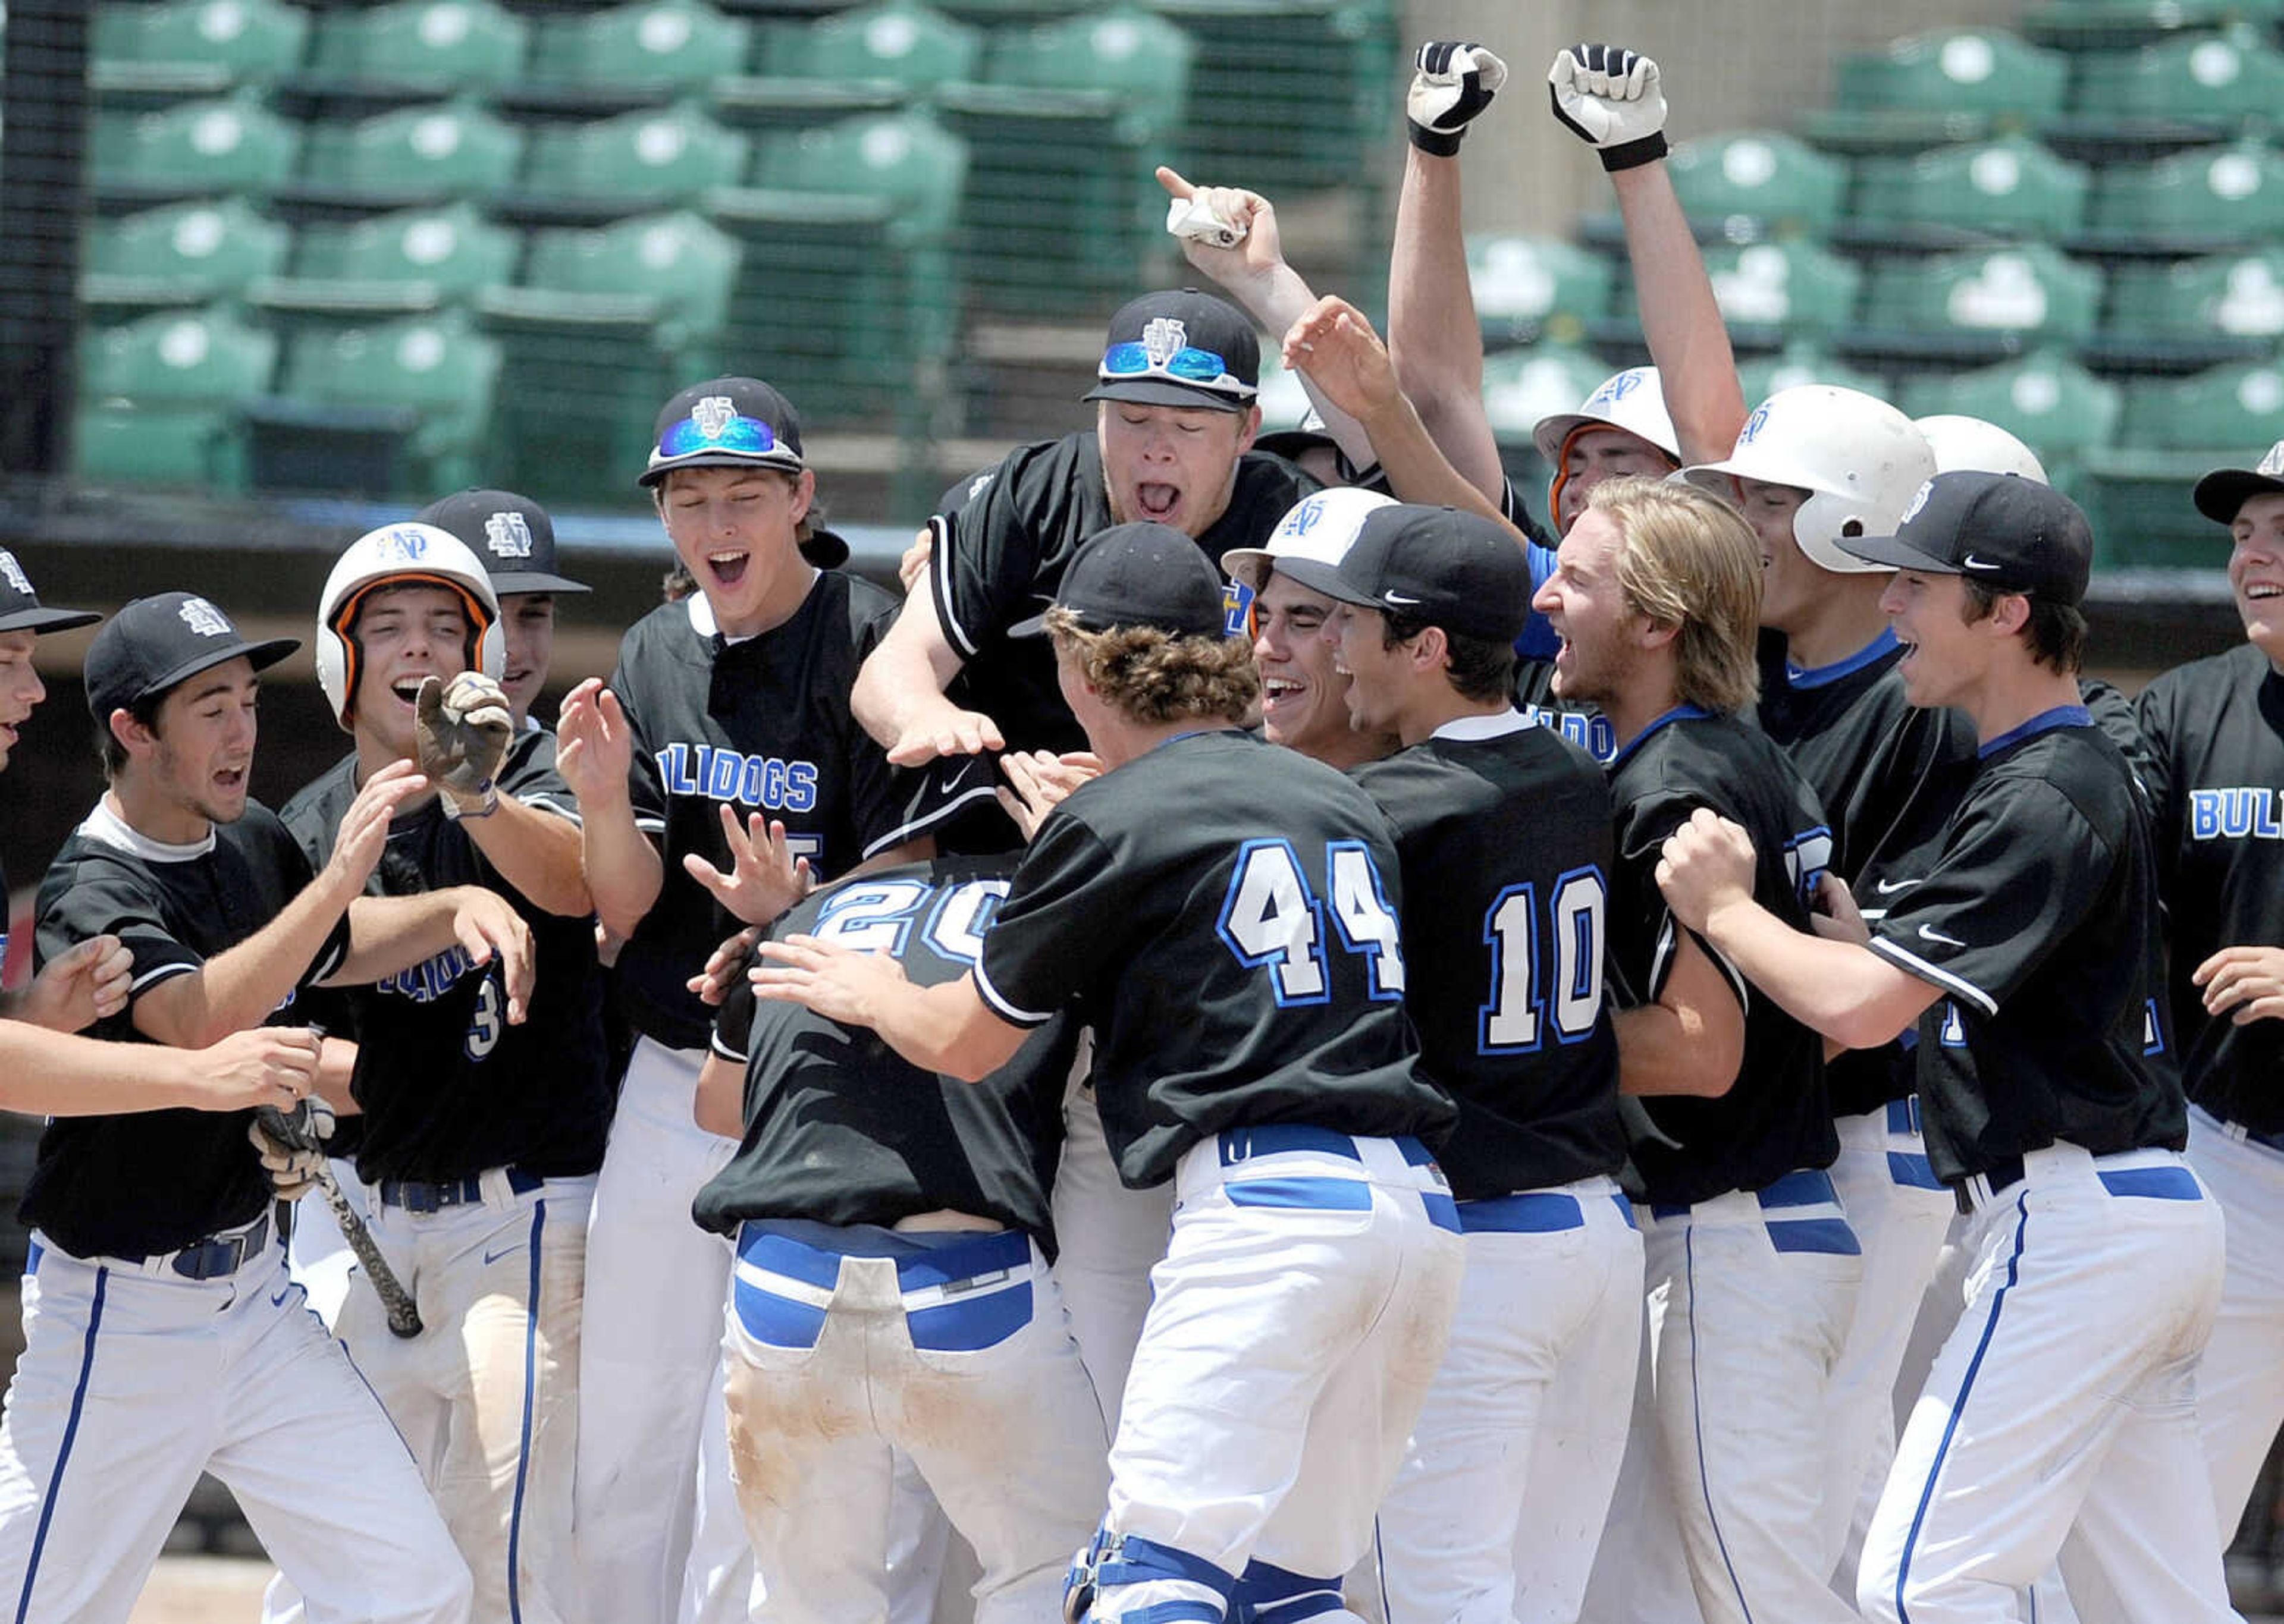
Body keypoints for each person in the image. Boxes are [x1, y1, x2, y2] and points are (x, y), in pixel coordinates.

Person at [751, 522, 1464, 1624]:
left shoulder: (1110, 819)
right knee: (1290, 1590)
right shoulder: (1334, 795)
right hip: (1413, 1213)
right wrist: (1102, 828)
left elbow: (966, 1041)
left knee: (1147, 1582)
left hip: (1268, 1212)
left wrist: (864, 981)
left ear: (1083, 667)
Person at [1655, 471, 2238, 1624]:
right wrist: (1866, 951)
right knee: (2159, 1606)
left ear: (2007, 611)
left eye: (1918, 586)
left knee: (1927, 1582)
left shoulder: (2048, 786)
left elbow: (1864, 1011)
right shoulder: (2036, 773)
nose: (1889, 607)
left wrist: (1724, 912)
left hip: (2082, 1224)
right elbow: (1910, 993)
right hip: (2135, 1211)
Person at [0, 589, 536, 1624]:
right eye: (210, 706)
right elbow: (200, 1017)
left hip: (254, 1303)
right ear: (131, 729)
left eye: (247, 698)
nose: (243, 727)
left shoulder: (245, 836)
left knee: (413, 1587)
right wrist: (336, 879)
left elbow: (331, 946)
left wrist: (453, 905)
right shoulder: (92, 879)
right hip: (122, 1316)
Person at [556, 375, 923, 1624]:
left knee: (764, 1447)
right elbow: (625, 904)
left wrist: (800, 905)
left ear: (801, 499)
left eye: (745, 494)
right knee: (626, 1433)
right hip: (671, 1080)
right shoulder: (658, 650)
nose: (718, 522)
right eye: (690, 498)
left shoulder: (872, 639)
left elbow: (920, 870)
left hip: (824, 1089)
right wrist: (603, 800)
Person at [1275, 504, 1638, 1624]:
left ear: (1427, 648)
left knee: (1428, 1594)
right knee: (1535, 1597)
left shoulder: (1385, 811)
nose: (1335, 648)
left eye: (1355, 625)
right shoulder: (1584, 777)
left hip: (1479, 1245)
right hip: (1598, 1242)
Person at [271, 520, 610, 1624]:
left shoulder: (532, 772)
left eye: (442, 627)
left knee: (507, 1551)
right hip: (359, 1216)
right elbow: (280, 1014)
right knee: (332, 1560)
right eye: (388, 628)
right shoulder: (304, 826)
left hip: (511, 1223)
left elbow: (574, 886)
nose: (418, 650)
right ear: (342, 661)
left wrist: (475, 796)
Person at [1529, 478, 1856, 1624]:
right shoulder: (1738, 753)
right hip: (1750, 1219)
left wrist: (1508, 1040)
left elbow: (1700, 1051)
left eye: (1577, 577)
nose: (1546, 594)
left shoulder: (1684, 779)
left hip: (1730, 1230)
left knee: (1761, 1599)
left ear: (1659, 623)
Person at [691, 852, 1105, 1623]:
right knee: (1056, 1568)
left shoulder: (810, 912)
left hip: (782, 1285)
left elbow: (717, 1104)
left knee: (810, 1604)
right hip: (968, 1287)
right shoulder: (1072, 890)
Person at [851, 286, 1314, 847]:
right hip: (1008, 827)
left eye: (1189, 425)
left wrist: (1136, 795)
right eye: (1132, 418)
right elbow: (894, 669)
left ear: (1246, 430)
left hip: (1206, 832)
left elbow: (1326, 722)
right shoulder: (1036, 490)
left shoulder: (1293, 522)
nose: (1156, 448)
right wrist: (928, 720)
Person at [2136, 439, 2284, 1551]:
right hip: (2238, 1165)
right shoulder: (2189, 708)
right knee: (2174, 1521)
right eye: (2244, 535)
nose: (2256, 558)